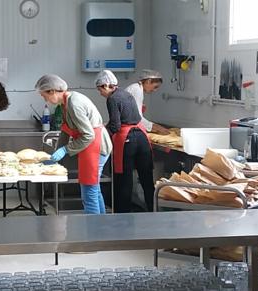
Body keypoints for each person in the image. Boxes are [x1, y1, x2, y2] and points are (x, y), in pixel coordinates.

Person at [35, 74, 113, 214]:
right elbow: (66, 130)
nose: (44, 99)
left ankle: (93, 232)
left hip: (95, 146)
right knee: (94, 191)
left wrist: (65, 150)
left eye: (43, 95)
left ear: (52, 91)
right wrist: (56, 154)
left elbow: (89, 135)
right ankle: (102, 228)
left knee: (89, 193)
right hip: (90, 146)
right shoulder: (66, 102)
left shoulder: (74, 103)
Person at [97, 70, 155, 213]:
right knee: (147, 180)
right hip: (142, 138)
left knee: (124, 181)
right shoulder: (126, 94)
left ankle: (122, 218)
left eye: (99, 90)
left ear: (105, 86)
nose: (100, 94)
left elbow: (116, 126)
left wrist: (100, 134)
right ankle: (154, 211)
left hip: (127, 141)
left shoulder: (112, 99)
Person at [125, 69, 169, 135]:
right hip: (127, 131)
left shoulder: (135, 88)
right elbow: (137, 118)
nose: (155, 90)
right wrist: (157, 128)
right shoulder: (137, 90)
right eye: (155, 87)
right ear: (149, 81)